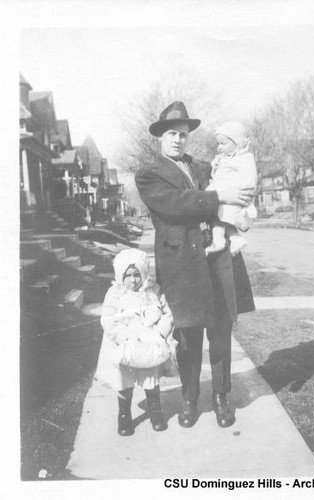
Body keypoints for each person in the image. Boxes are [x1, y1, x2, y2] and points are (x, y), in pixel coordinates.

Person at [135, 101, 255, 429]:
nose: (178, 140)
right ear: (160, 137)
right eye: (172, 133)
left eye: (184, 135)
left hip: (217, 262)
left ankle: (221, 396)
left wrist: (239, 203)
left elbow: (237, 184)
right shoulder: (149, 175)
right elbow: (177, 205)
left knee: (221, 331)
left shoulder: (206, 167)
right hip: (182, 267)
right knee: (188, 337)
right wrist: (219, 198)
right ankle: (190, 399)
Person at [95, 248, 174, 436]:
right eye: (128, 275)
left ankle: (155, 411)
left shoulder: (153, 291)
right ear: (120, 275)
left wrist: (160, 334)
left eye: (137, 275)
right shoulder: (115, 294)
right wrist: (125, 337)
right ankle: (124, 414)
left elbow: (167, 314)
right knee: (124, 380)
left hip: (149, 343)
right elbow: (108, 320)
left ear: (144, 273)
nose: (133, 280)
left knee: (150, 377)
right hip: (124, 344)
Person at [205, 121, 258, 256]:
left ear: (237, 143)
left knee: (218, 215)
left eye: (223, 143)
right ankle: (234, 239)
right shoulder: (225, 159)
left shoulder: (245, 158)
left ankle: (219, 241)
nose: (219, 147)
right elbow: (218, 173)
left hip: (235, 195)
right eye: (218, 143)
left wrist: (232, 188)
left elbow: (250, 180)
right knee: (219, 216)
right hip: (225, 193)